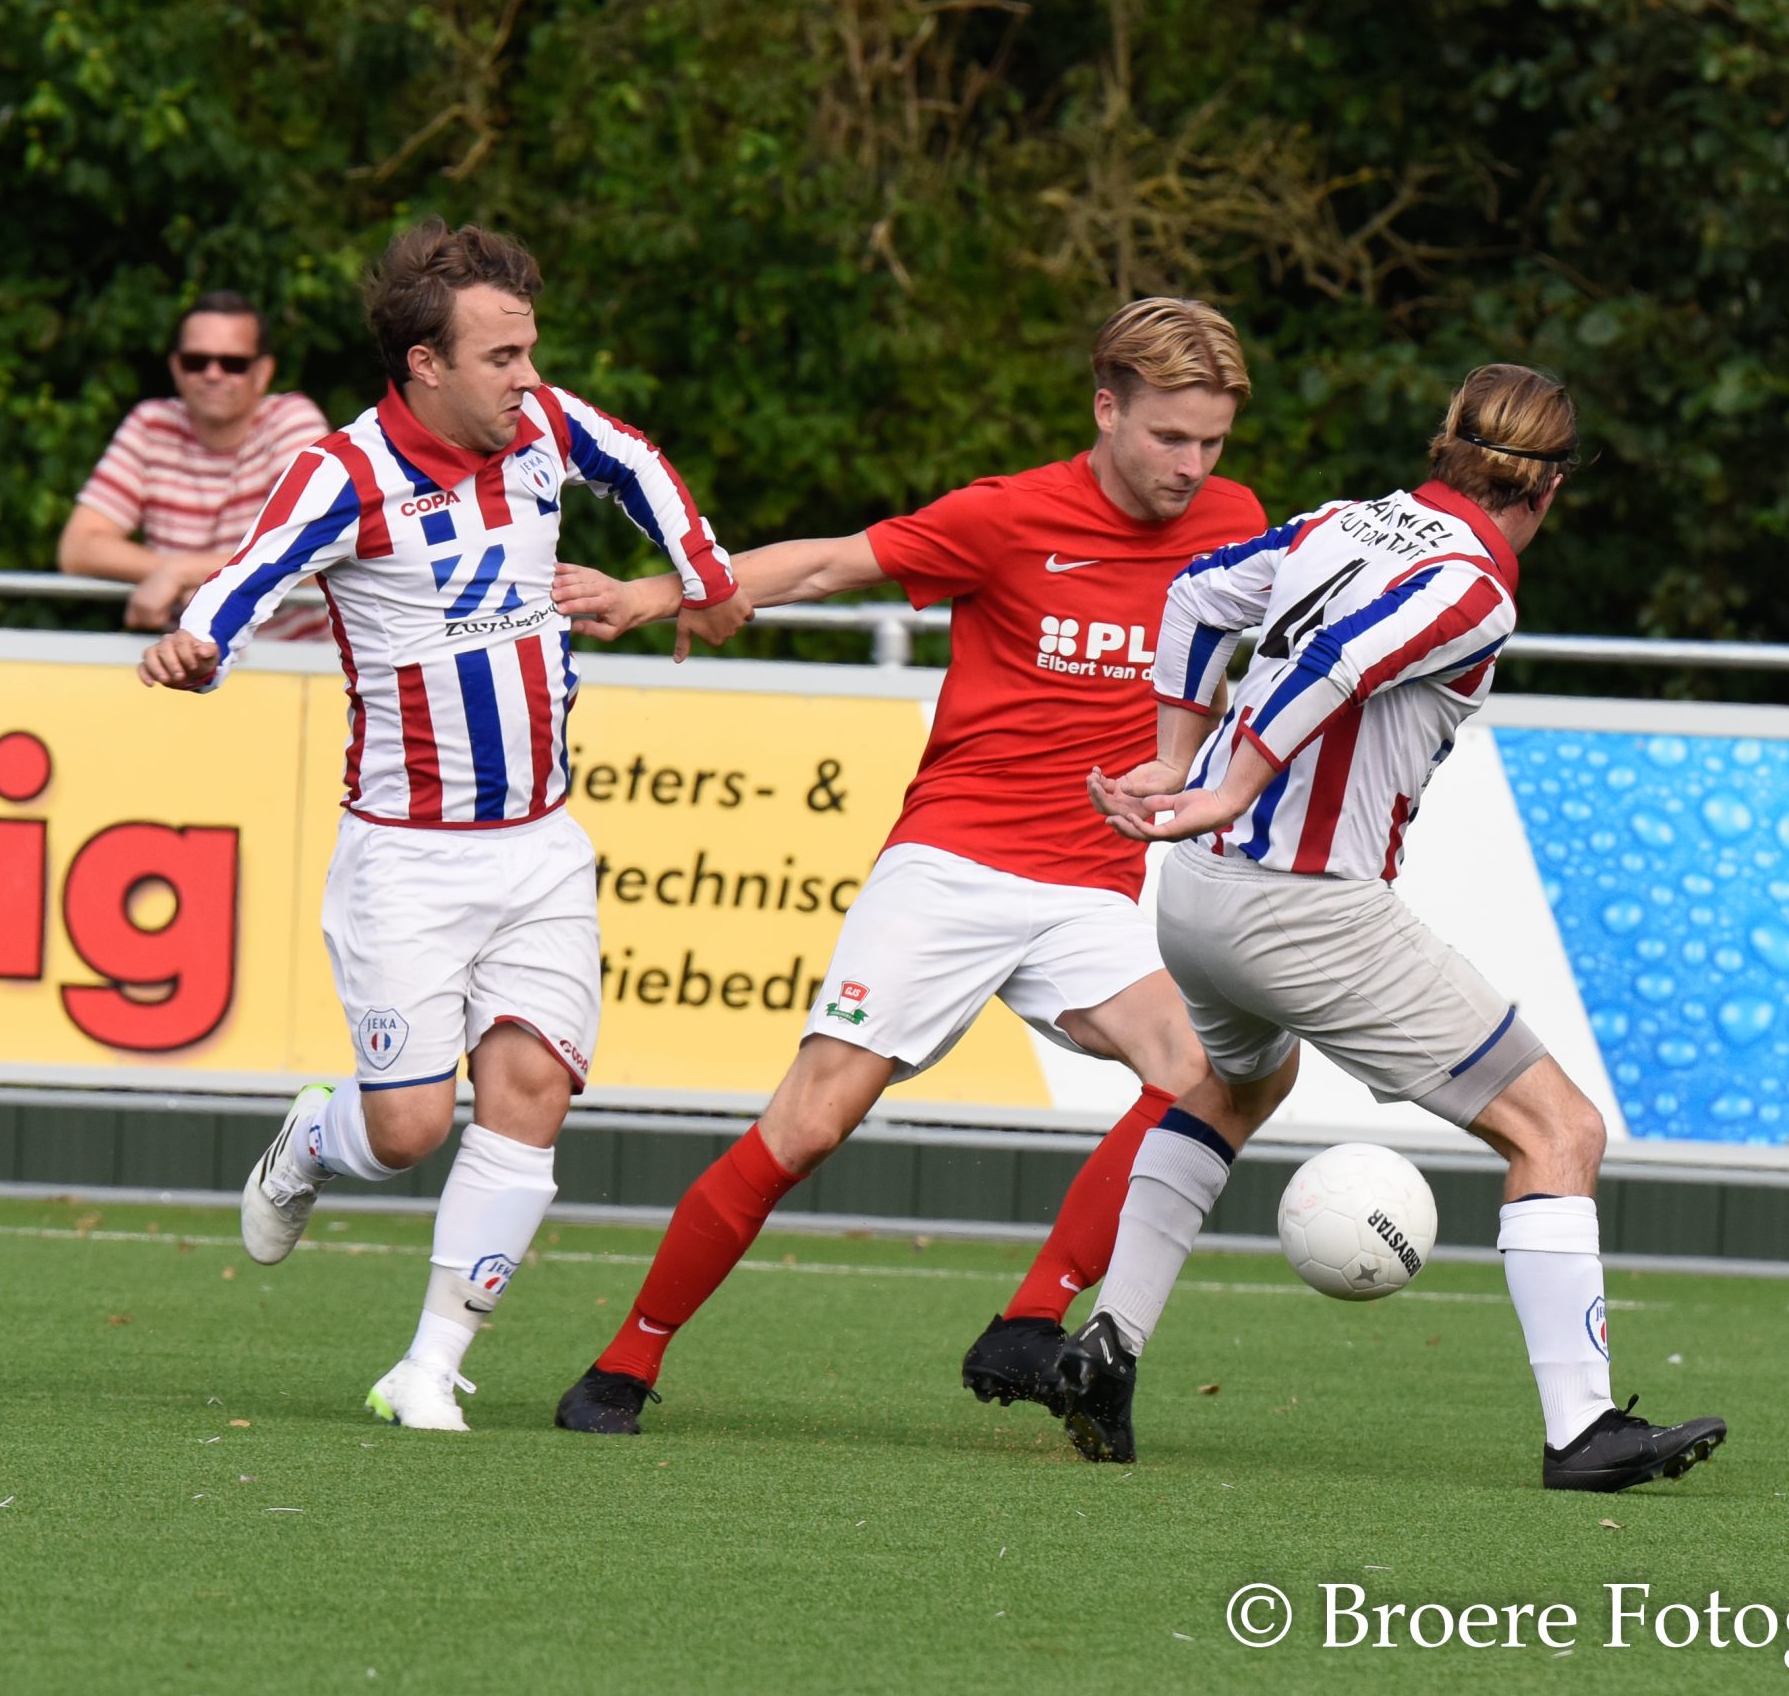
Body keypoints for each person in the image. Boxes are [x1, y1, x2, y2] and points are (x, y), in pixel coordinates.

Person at [548, 298, 1272, 1436]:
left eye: (1211, 442)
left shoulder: (1235, 522)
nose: (1191, 466)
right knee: (810, 1123)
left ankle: (1031, 1319)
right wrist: (656, 592)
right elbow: (830, 564)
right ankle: (624, 1361)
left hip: (1091, 885)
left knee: (1205, 1076)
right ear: (1106, 409)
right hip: (953, 862)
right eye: (1168, 437)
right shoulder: (1008, 514)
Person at [1058, 363, 1728, 1491]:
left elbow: (1195, 593)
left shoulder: (1341, 520)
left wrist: (1180, 761)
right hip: (1302, 908)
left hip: (1198, 895)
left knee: (1232, 1086)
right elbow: (1337, 662)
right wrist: (1228, 784)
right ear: (1550, 486)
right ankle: (1582, 1430)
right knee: (1559, 1132)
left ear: (1444, 445)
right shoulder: (1474, 583)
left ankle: (1108, 1346)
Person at [137, 221, 751, 1430]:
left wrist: (704, 573)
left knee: (531, 1088)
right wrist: (195, 647)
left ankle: (428, 1364)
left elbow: (636, 461)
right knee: (408, 1128)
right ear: (425, 364)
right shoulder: (342, 474)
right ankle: (316, 1139)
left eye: (530, 351)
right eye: (501, 357)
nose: (529, 377)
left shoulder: (544, 427)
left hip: (540, 845)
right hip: (407, 859)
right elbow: (244, 582)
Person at [61, 291, 332, 633]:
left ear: (263, 372)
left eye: (233, 364)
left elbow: (313, 549)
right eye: (196, 361)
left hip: (292, 656)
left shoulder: (290, 421)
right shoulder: (151, 425)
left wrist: (184, 575)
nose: (213, 374)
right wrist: (180, 574)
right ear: (176, 368)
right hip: (188, 659)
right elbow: (78, 548)